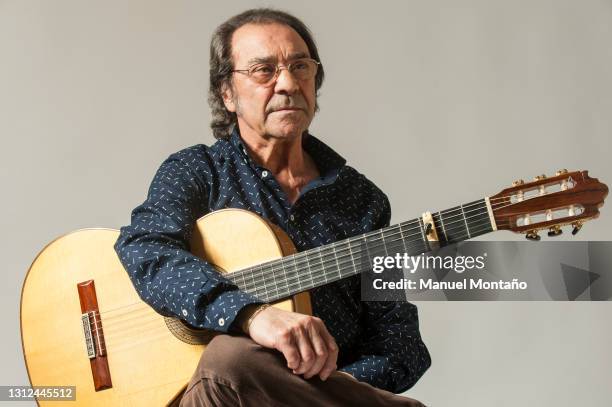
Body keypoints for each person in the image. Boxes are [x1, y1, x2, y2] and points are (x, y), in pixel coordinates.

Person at [114, 8, 431, 406]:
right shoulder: (197, 172)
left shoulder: (362, 202)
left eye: (300, 66)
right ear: (227, 93)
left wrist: (301, 385)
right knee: (230, 357)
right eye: (263, 70)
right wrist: (250, 315)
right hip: (212, 396)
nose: (288, 84)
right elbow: (145, 249)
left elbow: (401, 347)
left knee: (247, 367)